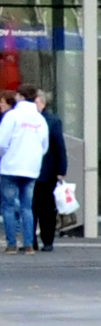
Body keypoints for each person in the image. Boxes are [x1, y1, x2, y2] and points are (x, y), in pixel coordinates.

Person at [0, 90, 42, 252]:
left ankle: (12, 244)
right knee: (27, 207)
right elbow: (43, 144)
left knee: (9, 206)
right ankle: (29, 244)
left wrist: (3, 156)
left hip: (11, 167)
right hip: (30, 168)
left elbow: (2, 142)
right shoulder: (39, 119)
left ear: (21, 97)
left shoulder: (12, 116)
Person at [32, 103, 68, 251]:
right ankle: (31, 241)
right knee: (32, 208)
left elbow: (59, 145)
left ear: (42, 103)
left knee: (46, 209)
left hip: (48, 170)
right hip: (33, 170)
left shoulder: (52, 121)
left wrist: (61, 170)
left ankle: (48, 241)